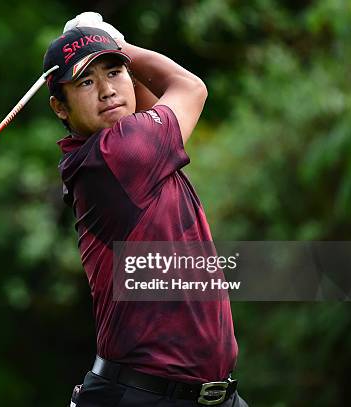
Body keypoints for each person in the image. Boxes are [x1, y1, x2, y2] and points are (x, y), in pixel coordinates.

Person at [42, 13, 249, 407]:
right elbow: (190, 87)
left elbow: (150, 103)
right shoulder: (117, 155)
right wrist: (121, 47)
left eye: (114, 72)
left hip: (205, 396)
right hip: (143, 396)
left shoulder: (127, 150)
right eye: (86, 82)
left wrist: (112, 54)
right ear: (60, 107)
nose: (107, 91)